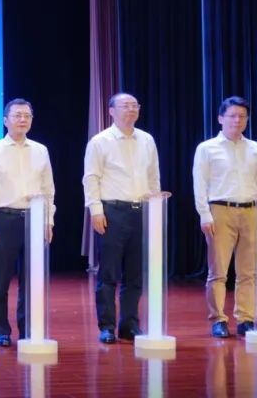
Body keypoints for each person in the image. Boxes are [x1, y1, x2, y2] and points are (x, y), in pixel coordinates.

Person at [0, 99, 55, 347]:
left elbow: (48, 190)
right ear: (5, 120)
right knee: (0, 282)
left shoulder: (40, 150)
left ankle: (28, 330)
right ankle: (1, 330)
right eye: (17, 115)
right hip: (4, 219)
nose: (22, 119)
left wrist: (48, 221)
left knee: (31, 281)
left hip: (34, 218)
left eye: (27, 115)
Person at [83, 92, 160, 344]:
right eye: (125, 105)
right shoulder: (100, 141)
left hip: (141, 211)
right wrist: (96, 210)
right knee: (109, 273)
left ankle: (129, 324)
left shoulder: (147, 139)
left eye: (134, 105)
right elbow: (91, 178)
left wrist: (155, 208)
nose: (131, 109)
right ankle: (106, 326)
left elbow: (153, 177)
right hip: (112, 212)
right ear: (111, 111)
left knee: (135, 274)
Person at [192, 96, 257, 338]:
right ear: (220, 118)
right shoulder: (207, 148)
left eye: (242, 116)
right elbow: (200, 184)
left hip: (252, 211)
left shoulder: (255, 148)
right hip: (220, 211)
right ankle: (218, 319)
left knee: (249, 272)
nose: (237, 120)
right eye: (232, 116)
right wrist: (204, 214)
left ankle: (246, 318)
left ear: (247, 120)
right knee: (218, 271)